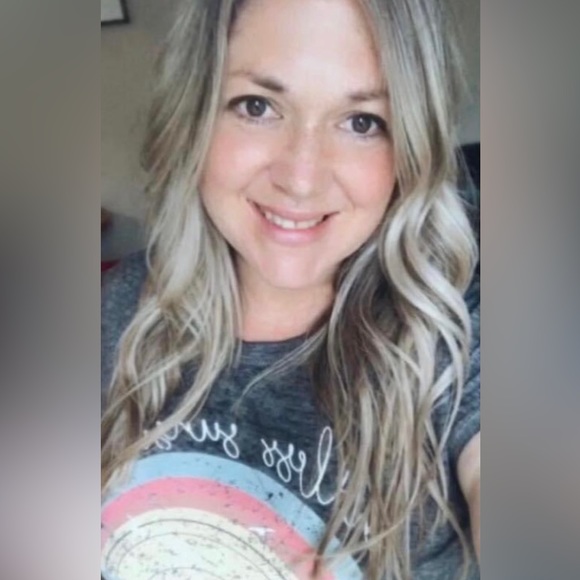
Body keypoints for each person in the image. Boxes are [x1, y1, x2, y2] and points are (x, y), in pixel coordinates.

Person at [101, 0, 480, 578]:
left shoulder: (460, 335)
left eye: (362, 122)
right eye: (258, 106)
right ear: (196, 114)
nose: (301, 178)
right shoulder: (112, 309)